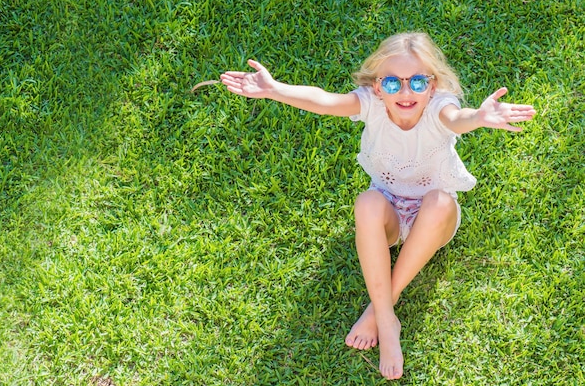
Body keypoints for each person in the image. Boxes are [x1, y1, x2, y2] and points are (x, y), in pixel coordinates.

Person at [219, 32, 536, 380]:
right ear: (376, 86)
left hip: (432, 221)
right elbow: (326, 100)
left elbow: (457, 119)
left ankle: (381, 313)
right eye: (392, 82)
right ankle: (388, 319)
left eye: (417, 82)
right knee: (367, 201)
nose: (405, 92)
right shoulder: (370, 103)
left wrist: (478, 117)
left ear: (433, 86)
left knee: (441, 201)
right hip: (386, 212)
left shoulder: (438, 108)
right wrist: (275, 89)